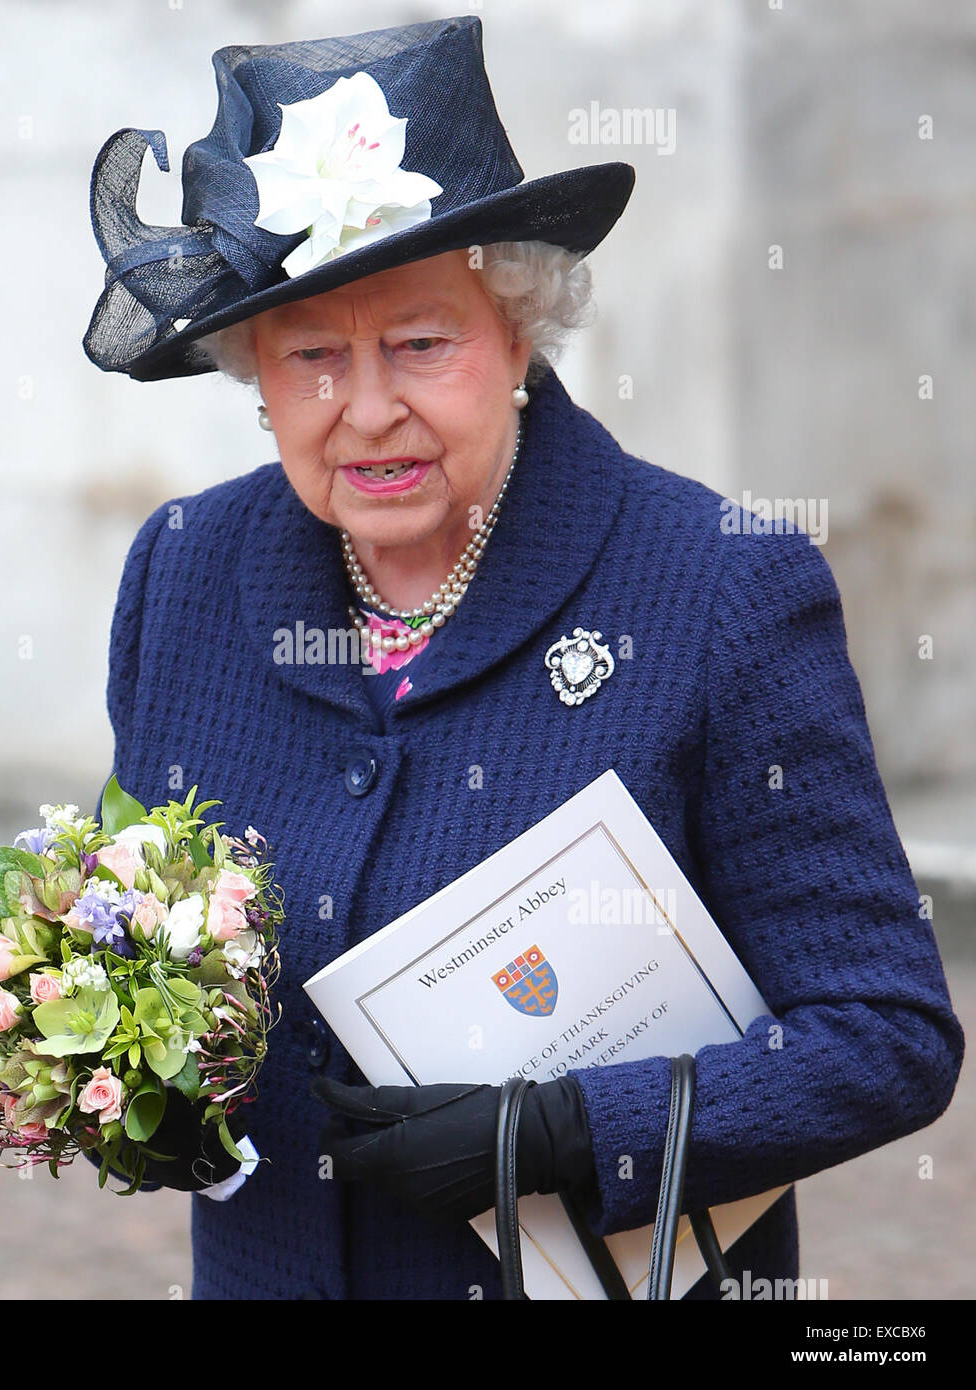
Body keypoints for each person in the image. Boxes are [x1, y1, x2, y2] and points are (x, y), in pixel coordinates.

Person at [79, 16, 963, 1300]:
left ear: (515, 332)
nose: (367, 406)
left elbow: (882, 1038)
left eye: (420, 342)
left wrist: (564, 1132)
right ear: (253, 377)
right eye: (312, 354)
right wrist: (105, 1061)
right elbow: (153, 928)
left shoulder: (717, 585)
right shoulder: (183, 574)